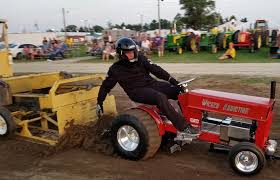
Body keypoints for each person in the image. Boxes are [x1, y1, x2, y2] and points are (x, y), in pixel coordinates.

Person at [96, 37, 200, 140]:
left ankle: (191, 120)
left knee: (179, 90)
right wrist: (99, 102)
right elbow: (106, 87)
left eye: (133, 51)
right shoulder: (115, 69)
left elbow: (155, 70)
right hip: (136, 91)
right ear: (121, 54)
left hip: (152, 84)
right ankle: (184, 127)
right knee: (160, 97)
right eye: (128, 52)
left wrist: (172, 80)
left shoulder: (140, 58)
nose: (132, 54)